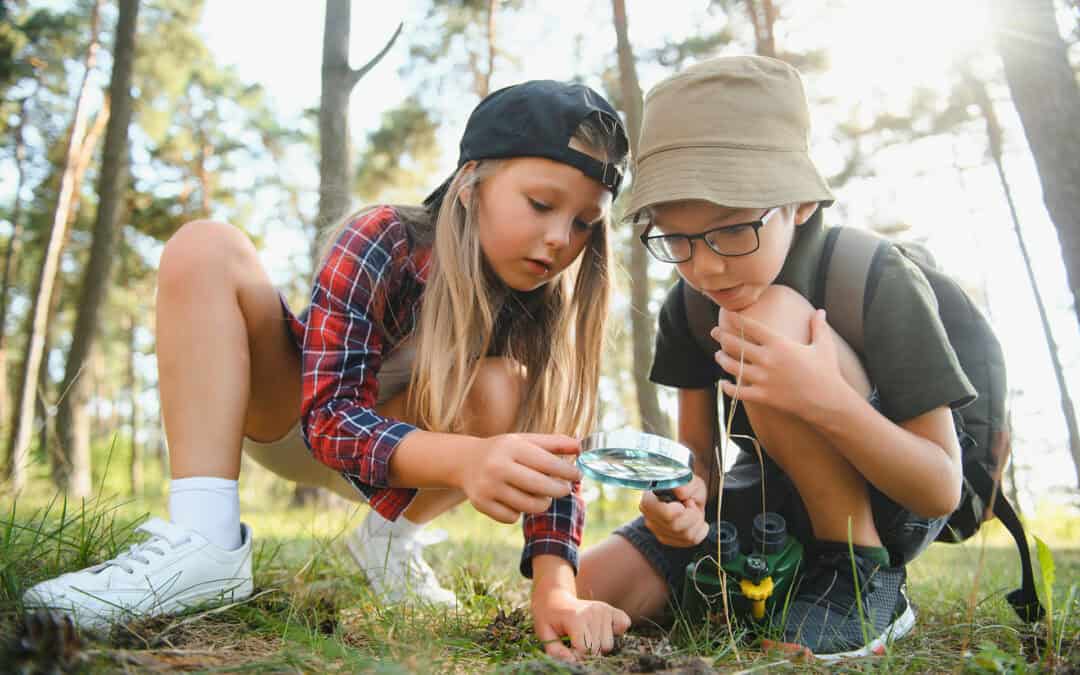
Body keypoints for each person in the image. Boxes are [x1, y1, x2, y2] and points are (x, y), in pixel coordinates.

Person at [23, 80, 633, 646]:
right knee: (207, 245)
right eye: (541, 204)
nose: (560, 238)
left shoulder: (544, 310)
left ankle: (387, 543)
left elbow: (557, 465)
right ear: (471, 184)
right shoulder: (386, 239)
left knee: (510, 390)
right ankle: (204, 541)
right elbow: (329, 419)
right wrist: (468, 458)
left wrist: (557, 590)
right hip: (293, 421)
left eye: (583, 223)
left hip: (405, 480)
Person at [570, 56, 972, 660]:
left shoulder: (876, 278)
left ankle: (860, 582)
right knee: (576, 588)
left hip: (887, 501)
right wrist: (678, 505)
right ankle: (752, 585)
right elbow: (699, 459)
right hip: (764, 507)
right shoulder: (692, 304)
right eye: (675, 239)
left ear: (800, 204)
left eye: (733, 229)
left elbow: (940, 489)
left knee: (767, 319)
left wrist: (826, 400)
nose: (705, 267)